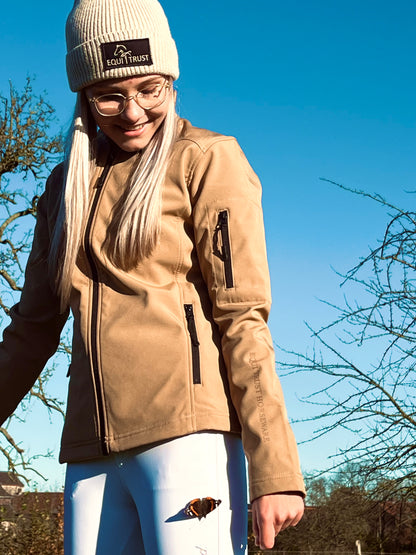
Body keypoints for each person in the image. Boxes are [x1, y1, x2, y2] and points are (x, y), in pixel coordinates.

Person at [0, 0, 305, 553]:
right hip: (89, 450)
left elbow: (242, 317)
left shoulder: (206, 160)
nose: (133, 111)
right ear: (83, 95)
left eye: (150, 89)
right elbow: (32, 327)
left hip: (188, 440)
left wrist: (276, 468)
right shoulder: (63, 187)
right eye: (109, 95)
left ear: (171, 80)